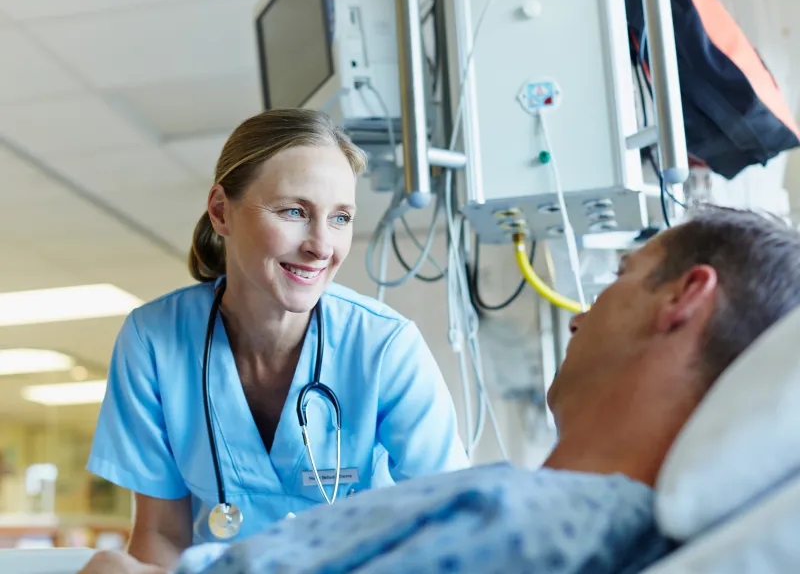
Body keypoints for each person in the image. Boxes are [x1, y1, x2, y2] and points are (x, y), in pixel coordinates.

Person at [80, 206, 800, 574]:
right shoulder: (589, 523)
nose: (581, 312)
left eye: (619, 276)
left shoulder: (522, 519)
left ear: (685, 298)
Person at [85, 109, 469, 569]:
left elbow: (454, 525)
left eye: (341, 218)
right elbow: (161, 533)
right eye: (294, 211)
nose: (322, 245)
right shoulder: (153, 341)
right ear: (221, 211)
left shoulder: (383, 346)